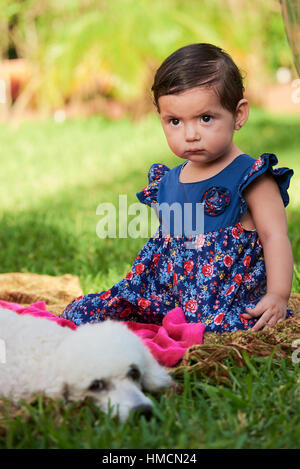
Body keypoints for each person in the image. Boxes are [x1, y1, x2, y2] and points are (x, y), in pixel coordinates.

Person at [62, 43, 294, 333]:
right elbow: (171, 250)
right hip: (170, 297)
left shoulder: (250, 177)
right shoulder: (168, 181)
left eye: (205, 118)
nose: (190, 134)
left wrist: (277, 295)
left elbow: (275, 236)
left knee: (213, 328)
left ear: (239, 115)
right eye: (174, 121)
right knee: (87, 311)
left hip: (224, 300)